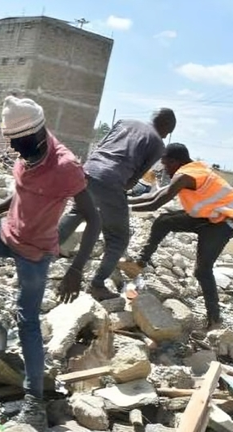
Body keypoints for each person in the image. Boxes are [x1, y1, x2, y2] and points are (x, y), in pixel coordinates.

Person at [0, 96, 101, 431]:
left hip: (35, 252)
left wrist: (75, 270)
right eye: (13, 144)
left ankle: (34, 402)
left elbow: (92, 218)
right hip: (5, 232)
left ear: (39, 134)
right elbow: (24, 189)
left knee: (27, 322)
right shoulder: (25, 153)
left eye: (21, 144)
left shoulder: (66, 167)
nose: (17, 151)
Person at [119, 143, 233, 330]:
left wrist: (124, 208)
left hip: (225, 221)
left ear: (174, 161)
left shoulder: (186, 175)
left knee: (202, 271)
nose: (164, 170)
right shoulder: (190, 170)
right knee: (164, 221)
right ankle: (139, 264)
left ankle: (215, 320)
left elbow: (156, 203)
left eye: (166, 165)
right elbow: (154, 196)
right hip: (209, 217)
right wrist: (124, 199)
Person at [58, 108, 177, 301]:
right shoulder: (157, 144)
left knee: (77, 212)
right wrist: (117, 197)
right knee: (118, 239)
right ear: (166, 127)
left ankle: (38, 255)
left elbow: (100, 147)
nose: (166, 135)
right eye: (168, 131)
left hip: (87, 171)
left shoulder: (124, 122)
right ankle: (96, 284)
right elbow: (133, 179)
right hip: (111, 180)